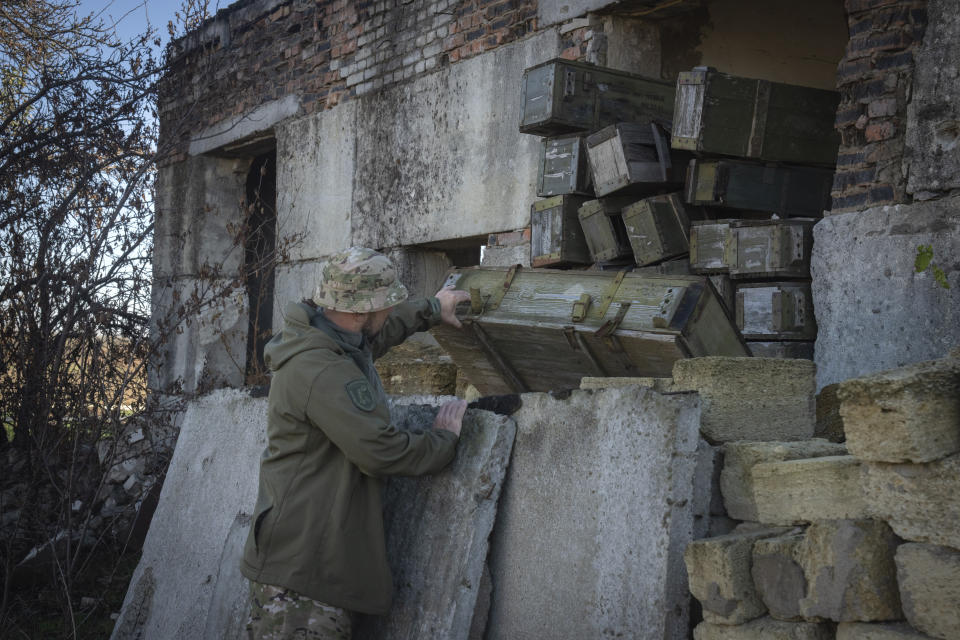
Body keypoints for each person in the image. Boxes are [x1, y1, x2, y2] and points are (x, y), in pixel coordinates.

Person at [240, 246, 471, 639]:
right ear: (362, 310)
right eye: (385, 304)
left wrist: (433, 308)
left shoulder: (328, 338)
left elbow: (376, 336)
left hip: (309, 557)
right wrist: (443, 441)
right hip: (303, 579)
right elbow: (379, 451)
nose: (388, 311)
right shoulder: (323, 369)